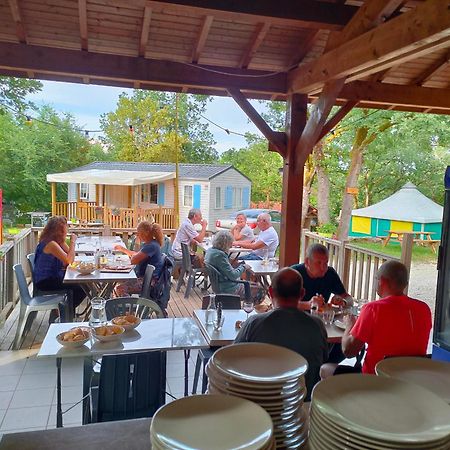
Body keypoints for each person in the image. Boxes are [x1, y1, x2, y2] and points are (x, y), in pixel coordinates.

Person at [320, 260, 432, 379]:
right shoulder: (424, 309)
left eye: (376, 278)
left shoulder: (373, 309)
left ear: (382, 281)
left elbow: (348, 351)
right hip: (412, 378)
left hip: (376, 380)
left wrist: (349, 325)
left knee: (325, 369)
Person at [235, 268, 328, 400]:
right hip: (304, 401)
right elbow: (324, 358)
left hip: (261, 402)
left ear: (271, 292)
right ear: (302, 294)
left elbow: (232, 359)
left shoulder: (254, 323)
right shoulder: (317, 325)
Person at [33, 216, 85, 322]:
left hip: (54, 276)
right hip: (45, 281)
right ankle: (62, 312)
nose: (67, 229)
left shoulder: (57, 242)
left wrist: (66, 244)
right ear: (59, 230)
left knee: (82, 285)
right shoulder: (51, 244)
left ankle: (64, 312)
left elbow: (70, 257)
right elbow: (69, 261)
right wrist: (73, 242)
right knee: (82, 287)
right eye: (66, 227)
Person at [205, 231, 265, 302]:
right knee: (260, 290)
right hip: (228, 288)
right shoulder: (220, 256)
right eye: (230, 243)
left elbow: (228, 271)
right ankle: (248, 309)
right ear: (226, 243)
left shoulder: (210, 251)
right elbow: (233, 275)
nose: (231, 246)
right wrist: (243, 267)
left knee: (252, 284)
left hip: (218, 285)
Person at [291, 243, 353, 311]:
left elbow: (349, 298)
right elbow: (282, 303)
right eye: (319, 263)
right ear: (307, 262)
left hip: (321, 318)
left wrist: (343, 301)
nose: (323, 268)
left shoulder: (330, 273)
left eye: (325, 263)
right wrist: (309, 305)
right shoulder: (294, 273)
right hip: (294, 318)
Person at [114, 221, 164, 297]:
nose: (137, 235)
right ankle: (123, 304)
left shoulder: (151, 246)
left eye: (138, 233)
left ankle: (128, 306)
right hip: (146, 279)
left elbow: (133, 260)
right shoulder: (150, 244)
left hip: (148, 282)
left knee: (120, 288)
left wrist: (131, 255)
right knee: (118, 282)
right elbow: (137, 255)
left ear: (145, 233)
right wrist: (123, 249)